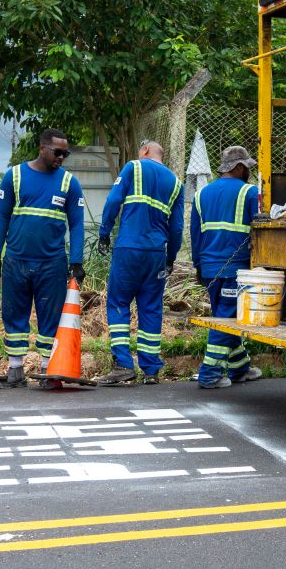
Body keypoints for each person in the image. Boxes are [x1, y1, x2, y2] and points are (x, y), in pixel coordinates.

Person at [0, 128, 86, 389]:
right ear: (42, 148)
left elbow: (77, 225)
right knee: (14, 314)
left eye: (66, 153)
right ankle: (15, 369)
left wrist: (77, 262)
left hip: (52, 264)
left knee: (50, 317)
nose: (62, 157)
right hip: (16, 261)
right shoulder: (15, 176)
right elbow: (1, 218)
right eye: (58, 152)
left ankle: (47, 370)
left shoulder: (69, 183)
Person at [97, 140, 184, 385]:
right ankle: (151, 369)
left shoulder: (133, 167)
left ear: (145, 151)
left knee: (118, 303)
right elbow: (176, 228)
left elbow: (114, 201)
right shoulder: (176, 184)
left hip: (128, 249)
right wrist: (170, 258)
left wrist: (104, 232)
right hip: (156, 253)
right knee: (151, 308)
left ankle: (123, 364)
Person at [193, 145, 263, 390]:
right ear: (240, 167)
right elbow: (260, 232)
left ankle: (240, 368)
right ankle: (210, 374)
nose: (249, 172)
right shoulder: (250, 192)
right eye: (248, 168)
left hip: (209, 269)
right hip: (235, 269)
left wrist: (198, 267)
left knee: (227, 317)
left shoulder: (201, 194)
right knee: (226, 320)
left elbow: (195, 235)